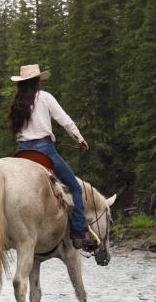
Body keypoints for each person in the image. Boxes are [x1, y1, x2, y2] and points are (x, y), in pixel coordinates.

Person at [8, 64, 96, 250]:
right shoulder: (45, 97)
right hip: (44, 149)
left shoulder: (17, 103)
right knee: (74, 187)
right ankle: (79, 233)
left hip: (22, 152)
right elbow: (64, 120)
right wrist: (80, 139)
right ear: (37, 81)